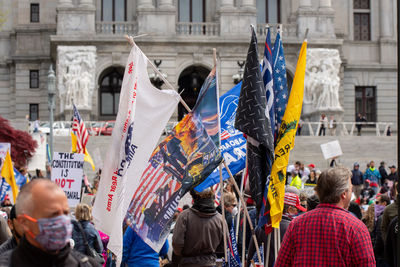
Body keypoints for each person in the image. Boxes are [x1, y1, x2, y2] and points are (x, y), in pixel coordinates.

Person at [275, 167, 375, 266]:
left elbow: (281, 263)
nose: (351, 193)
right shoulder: (356, 228)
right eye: (351, 189)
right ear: (344, 194)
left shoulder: (296, 224)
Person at [0, 179, 101, 266]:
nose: (62, 221)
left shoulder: (87, 264)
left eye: (65, 213)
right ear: (24, 222)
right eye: (53, 214)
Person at [247, 192, 306, 267]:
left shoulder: (263, 224)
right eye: (297, 209)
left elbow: (251, 252)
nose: (297, 212)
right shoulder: (293, 228)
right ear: (289, 209)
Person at [172, 188, 224, 266]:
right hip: (209, 262)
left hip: (188, 263)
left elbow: (177, 244)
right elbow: (223, 246)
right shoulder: (220, 219)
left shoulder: (184, 216)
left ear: (194, 197)